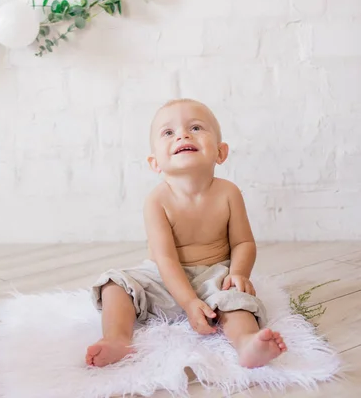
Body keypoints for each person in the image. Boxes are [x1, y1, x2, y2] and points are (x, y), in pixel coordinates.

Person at [85, 99, 287, 369]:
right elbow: (165, 259)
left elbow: (243, 242)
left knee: (235, 301)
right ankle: (117, 339)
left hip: (214, 273)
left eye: (196, 127)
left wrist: (238, 273)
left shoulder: (228, 193)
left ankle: (248, 343)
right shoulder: (157, 200)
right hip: (164, 277)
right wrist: (189, 302)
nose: (182, 134)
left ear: (220, 152)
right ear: (155, 163)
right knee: (114, 284)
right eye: (168, 133)